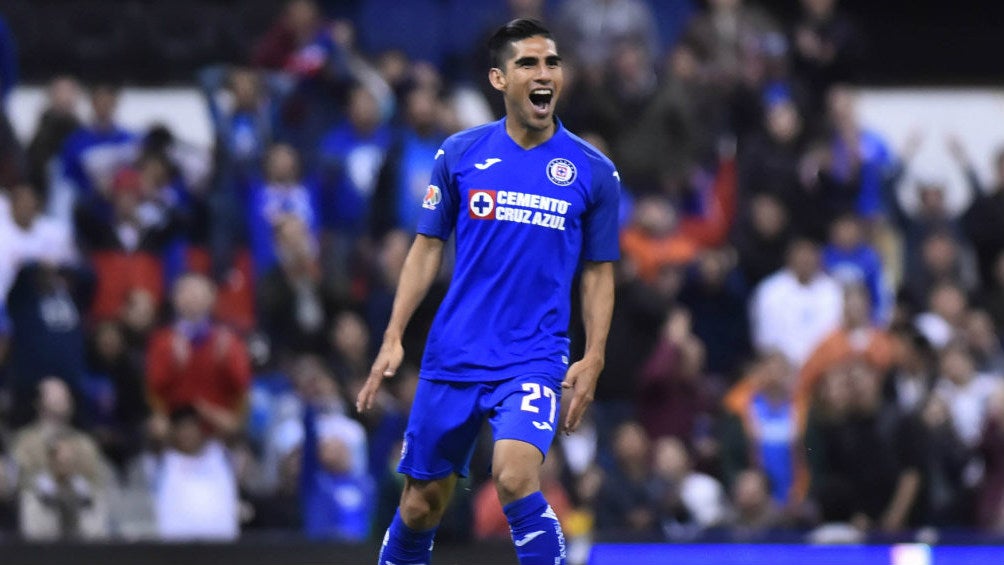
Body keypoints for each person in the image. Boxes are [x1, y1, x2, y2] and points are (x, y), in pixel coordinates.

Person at [356, 19, 619, 565]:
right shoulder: (459, 154)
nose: (543, 73)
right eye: (528, 63)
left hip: (535, 354)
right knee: (421, 506)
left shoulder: (593, 172)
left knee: (515, 475)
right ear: (499, 79)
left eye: (551, 62)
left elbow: (598, 270)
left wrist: (593, 355)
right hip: (454, 352)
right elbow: (427, 247)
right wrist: (393, 335)